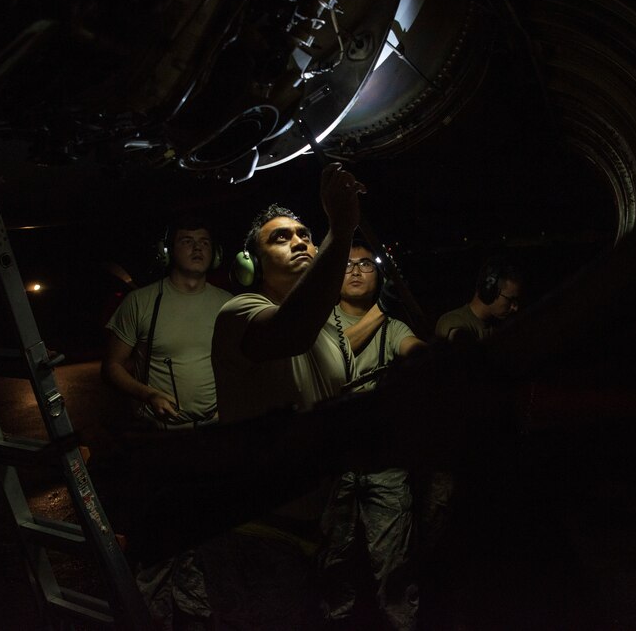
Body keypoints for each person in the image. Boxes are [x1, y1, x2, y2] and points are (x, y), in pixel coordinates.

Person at [101, 215, 231, 631]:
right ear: (168, 251)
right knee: (158, 541)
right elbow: (113, 368)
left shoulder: (229, 304)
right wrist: (149, 394)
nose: (197, 248)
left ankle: (195, 616)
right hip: (161, 444)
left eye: (205, 241)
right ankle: (147, 618)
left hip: (211, 440)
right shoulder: (142, 301)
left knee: (203, 539)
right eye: (187, 241)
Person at [317, 241, 427, 630]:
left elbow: (413, 348)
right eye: (347, 264)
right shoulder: (321, 321)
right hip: (334, 461)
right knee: (333, 561)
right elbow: (339, 351)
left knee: (394, 564)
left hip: (385, 461)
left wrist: (431, 356)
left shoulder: (395, 326)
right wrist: (383, 307)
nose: (357, 270)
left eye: (366, 264)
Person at [211, 162, 365, 424]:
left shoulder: (329, 328)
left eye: (305, 236)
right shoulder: (238, 312)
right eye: (281, 238)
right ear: (253, 266)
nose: (299, 244)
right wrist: (340, 231)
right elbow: (292, 333)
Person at [434, 256, 523, 342]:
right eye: (510, 300)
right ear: (490, 292)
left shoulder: (496, 325)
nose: (515, 308)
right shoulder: (453, 322)